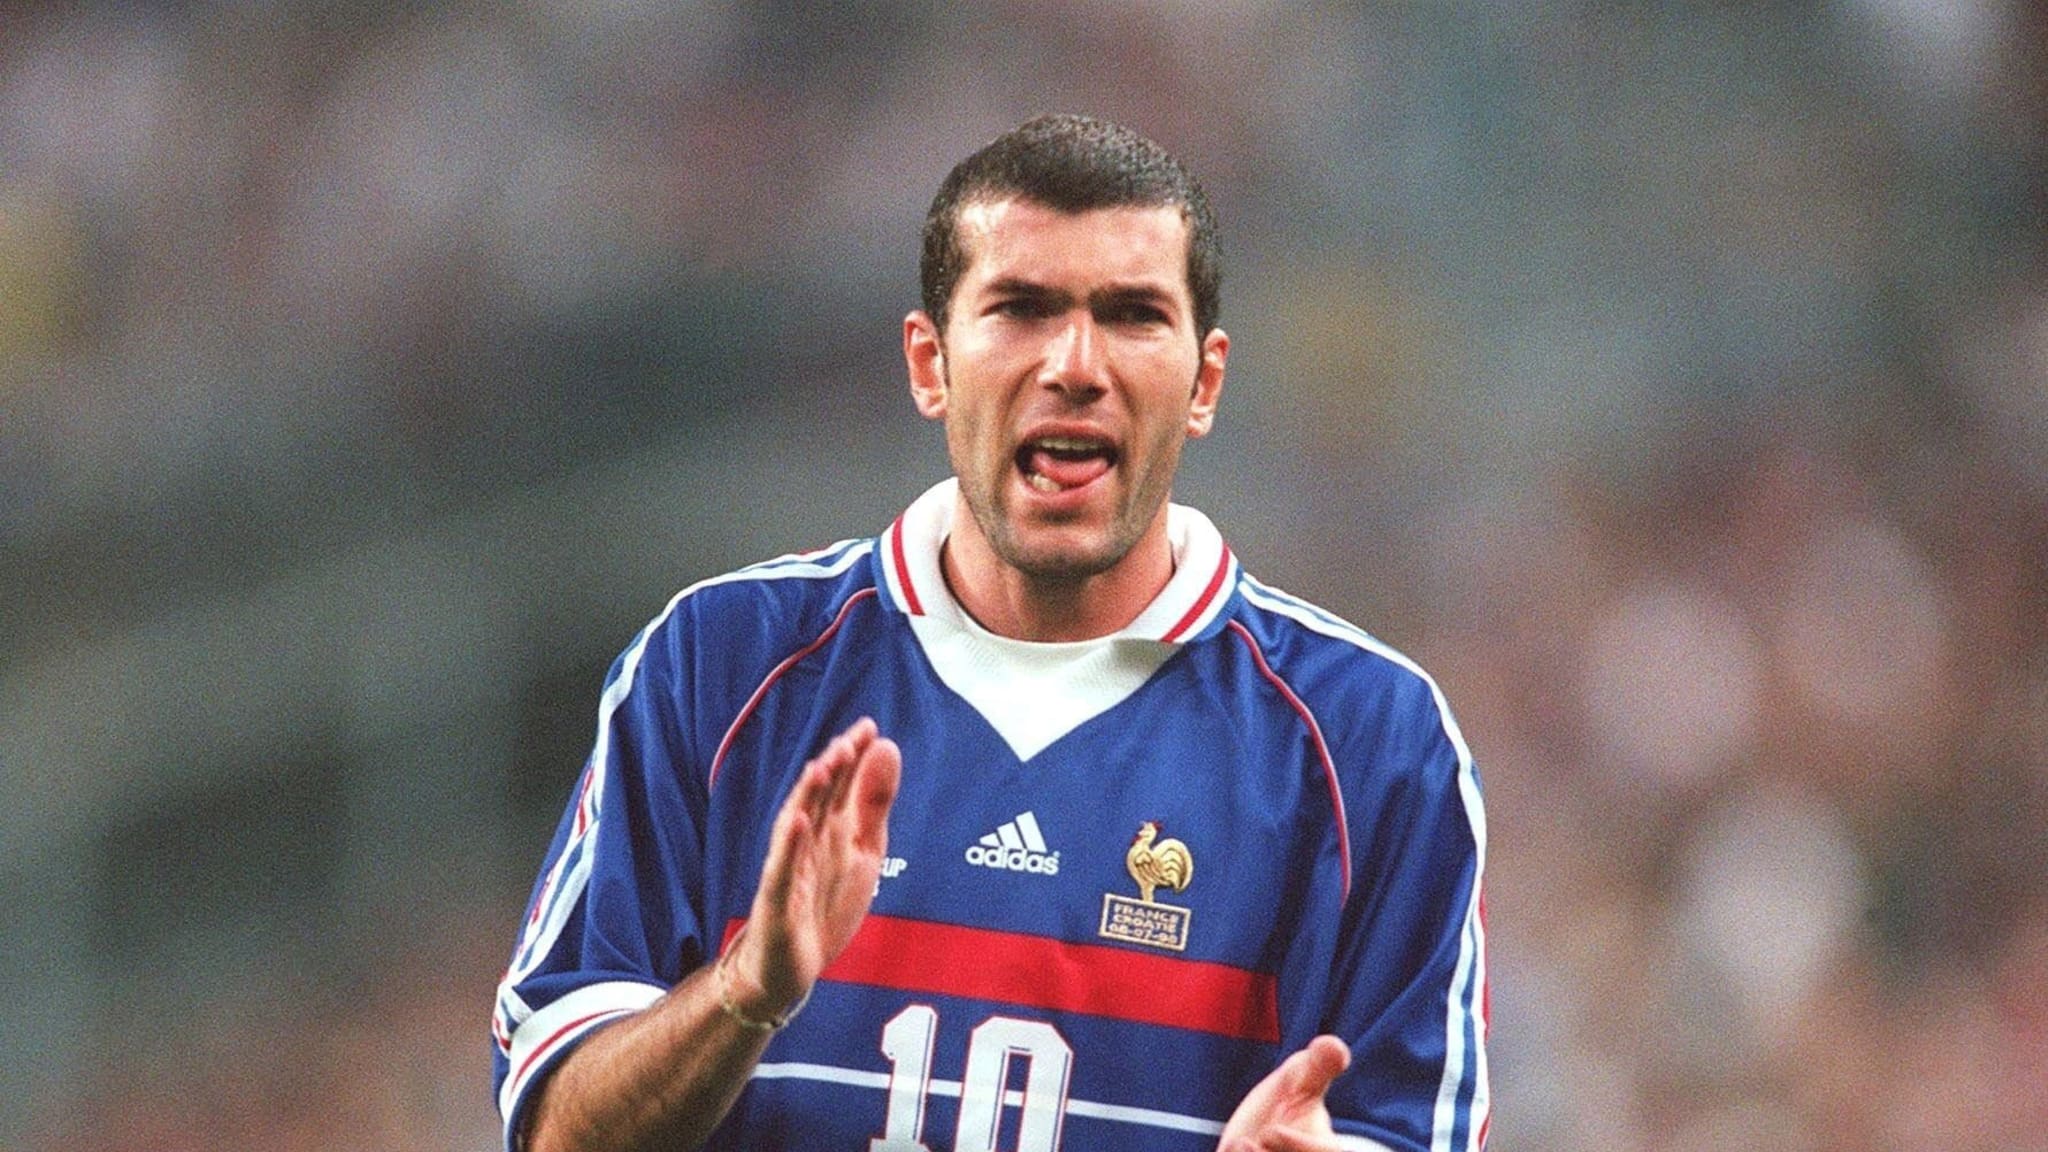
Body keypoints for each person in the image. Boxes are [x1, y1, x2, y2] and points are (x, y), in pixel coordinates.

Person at [490, 114, 1488, 1152]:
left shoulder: (1372, 743)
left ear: (1204, 384)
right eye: (1021, 308)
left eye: (1132, 315)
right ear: (929, 365)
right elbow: (556, 1127)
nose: (1075, 365)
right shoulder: (719, 666)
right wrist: (747, 991)